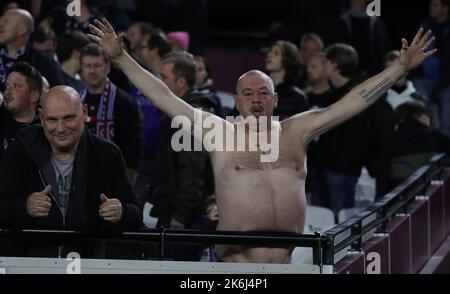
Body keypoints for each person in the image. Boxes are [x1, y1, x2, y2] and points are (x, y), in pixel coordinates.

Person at [88, 19, 436, 263]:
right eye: (247, 94)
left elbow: (352, 102)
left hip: (285, 265)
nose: (255, 100)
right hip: (236, 269)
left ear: (274, 101)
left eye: (263, 93)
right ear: (236, 102)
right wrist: (120, 57)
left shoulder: (297, 130)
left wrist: (398, 69)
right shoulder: (218, 131)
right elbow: (162, 95)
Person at [0, 85, 143, 258]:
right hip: (31, 262)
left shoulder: (107, 154)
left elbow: (135, 212)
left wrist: (121, 212)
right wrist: (24, 207)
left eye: (68, 118)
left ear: (83, 112)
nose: (60, 128)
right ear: (42, 117)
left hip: (90, 262)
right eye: (52, 120)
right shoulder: (20, 151)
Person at [80, 43, 142, 184]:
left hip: (115, 177)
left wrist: (128, 181)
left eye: (97, 65)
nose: (92, 71)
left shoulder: (124, 101)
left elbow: (133, 147)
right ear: (82, 70)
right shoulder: (77, 99)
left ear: (107, 67)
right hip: (82, 176)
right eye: (87, 66)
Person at [0, 8, 64, 88]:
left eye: (6, 21)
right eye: (1, 20)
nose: (0, 24)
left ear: (21, 30)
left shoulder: (43, 63)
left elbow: (57, 94)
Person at [0, 61, 42, 161]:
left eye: (16, 87)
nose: (7, 92)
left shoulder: (48, 129)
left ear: (33, 96)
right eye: (7, 86)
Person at [265, 40, 309, 121]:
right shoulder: (255, 90)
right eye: (270, 51)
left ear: (287, 60)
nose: (269, 55)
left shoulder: (298, 98)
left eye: (276, 53)